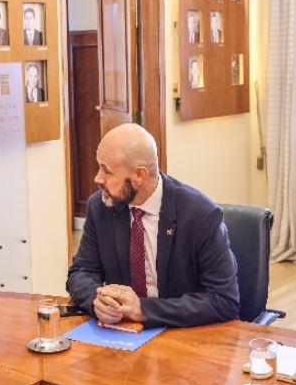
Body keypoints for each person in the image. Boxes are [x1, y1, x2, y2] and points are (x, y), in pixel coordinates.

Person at [67, 123, 239, 328]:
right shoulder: (101, 206)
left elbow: (224, 300)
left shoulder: (200, 215)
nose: (97, 178)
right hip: (123, 333)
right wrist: (97, 301)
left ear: (139, 175)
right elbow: (81, 272)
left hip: (183, 334)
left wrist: (143, 309)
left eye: (107, 171)